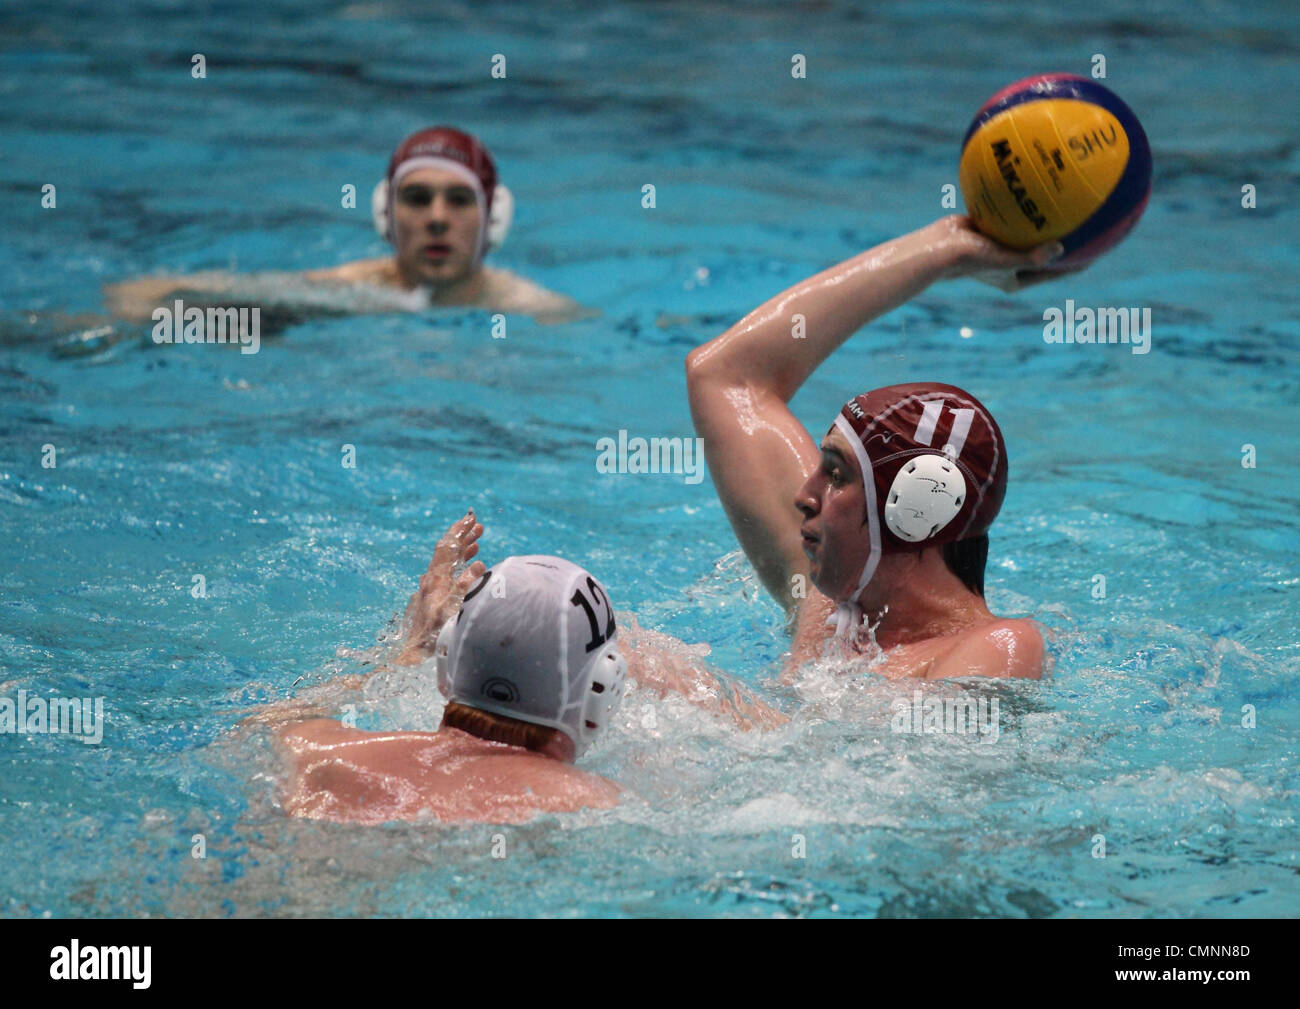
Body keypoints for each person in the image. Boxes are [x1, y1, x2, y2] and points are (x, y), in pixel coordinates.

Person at [685, 215, 1064, 681]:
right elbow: (725, 375)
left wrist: (686, 683)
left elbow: (864, 752)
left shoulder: (996, 648)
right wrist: (946, 249)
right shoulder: (827, 609)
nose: (804, 495)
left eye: (838, 474)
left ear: (915, 508)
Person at [266, 511, 784, 825]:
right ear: (603, 691)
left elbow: (251, 729)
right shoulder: (589, 806)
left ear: (445, 660)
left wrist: (404, 653)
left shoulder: (309, 746)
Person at [99, 126, 585, 338]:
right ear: (385, 216)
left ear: (493, 219)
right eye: (417, 199)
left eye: (458, 200)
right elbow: (139, 294)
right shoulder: (352, 289)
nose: (437, 217)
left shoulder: (535, 312)